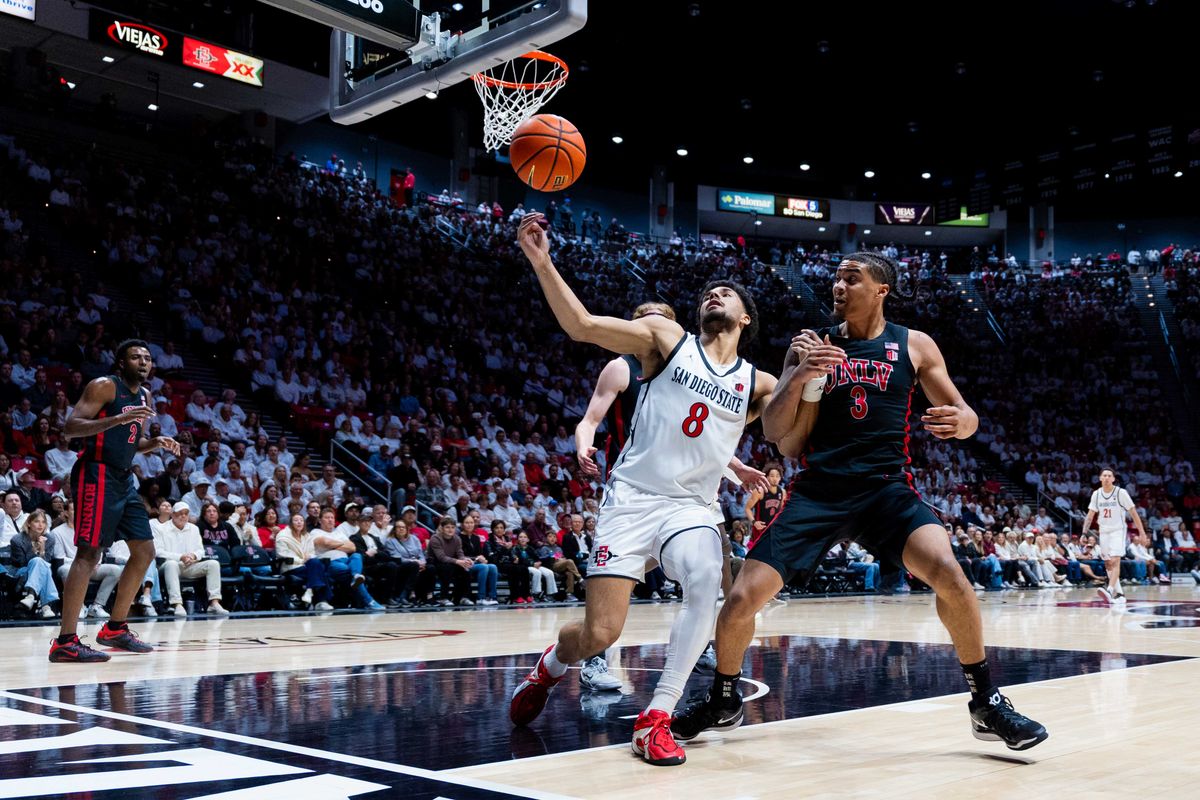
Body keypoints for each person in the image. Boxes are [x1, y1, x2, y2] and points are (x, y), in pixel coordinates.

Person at [673, 252, 1047, 752]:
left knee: (950, 574)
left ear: (881, 290)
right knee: (741, 598)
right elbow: (780, 439)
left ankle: (985, 702)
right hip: (819, 489)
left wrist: (963, 423)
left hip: (884, 490)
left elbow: (964, 412)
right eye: (836, 279)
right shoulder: (812, 345)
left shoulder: (914, 345)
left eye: (852, 279)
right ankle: (724, 698)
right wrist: (802, 373)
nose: (839, 287)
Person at [508, 212, 777, 767]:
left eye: (726, 292)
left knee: (707, 580)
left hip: (691, 506)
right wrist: (542, 262)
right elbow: (581, 325)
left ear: (745, 316)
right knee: (600, 633)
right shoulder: (665, 340)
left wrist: (810, 375)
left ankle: (657, 717)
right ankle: (552, 665)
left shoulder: (758, 383)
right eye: (709, 291)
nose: (714, 294)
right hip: (632, 500)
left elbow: (790, 429)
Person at [50, 340, 181, 662]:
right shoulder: (104, 386)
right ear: (121, 362)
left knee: (145, 550)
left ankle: (115, 628)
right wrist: (117, 420)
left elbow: (129, 443)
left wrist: (154, 443)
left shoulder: (145, 396)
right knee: (89, 552)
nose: (144, 362)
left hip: (123, 478)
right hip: (95, 473)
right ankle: (65, 641)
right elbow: (70, 428)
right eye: (136, 357)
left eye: (148, 358)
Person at [1082, 468, 1146, 604]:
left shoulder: (1120, 493)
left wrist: (1142, 532)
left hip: (1118, 530)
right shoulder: (1096, 494)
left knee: (1116, 560)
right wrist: (1084, 532)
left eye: (1109, 475)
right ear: (1100, 478)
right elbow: (1090, 516)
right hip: (1103, 531)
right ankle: (1120, 594)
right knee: (1108, 563)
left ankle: (1109, 589)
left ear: (1113, 479)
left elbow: (1134, 513)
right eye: (1104, 475)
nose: (1106, 477)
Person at [49, 502, 122, 619]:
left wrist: (94, 562)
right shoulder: (57, 532)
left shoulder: (91, 528)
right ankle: (78, 606)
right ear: (66, 513)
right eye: (74, 510)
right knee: (64, 570)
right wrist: (83, 563)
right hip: (71, 567)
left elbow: (99, 550)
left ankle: (97, 606)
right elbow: (60, 558)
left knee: (115, 570)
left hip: (91, 566)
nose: (79, 513)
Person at [156, 501, 229, 617]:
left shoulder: (194, 529)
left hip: (190, 565)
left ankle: (214, 603)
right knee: (171, 564)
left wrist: (193, 556)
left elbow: (200, 550)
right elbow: (158, 551)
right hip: (169, 566)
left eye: (186, 513)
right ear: (173, 515)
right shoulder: (161, 529)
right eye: (180, 513)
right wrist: (180, 557)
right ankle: (177, 604)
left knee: (213, 564)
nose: (183, 516)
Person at [276, 512, 333, 611]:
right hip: (291, 567)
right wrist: (302, 560)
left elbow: (311, 553)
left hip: (307, 566)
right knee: (320, 571)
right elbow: (282, 554)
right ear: (290, 523)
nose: (299, 522)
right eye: (296, 520)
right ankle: (321, 601)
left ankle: (310, 591)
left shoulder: (307, 536)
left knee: (315, 564)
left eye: (301, 520)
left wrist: (309, 557)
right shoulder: (282, 536)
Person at [9, 510, 60, 618]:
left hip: (41, 569)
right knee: (40, 564)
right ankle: (45, 606)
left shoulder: (49, 538)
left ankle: (31, 597)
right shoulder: (17, 540)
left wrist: (41, 551)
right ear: (29, 523)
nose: (40, 525)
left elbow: (47, 561)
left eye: (43, 522)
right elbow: (21, 562)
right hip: (21, 571)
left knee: (42, 564)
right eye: (36, 521)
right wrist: (33, 551)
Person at [427, 516, 475, 606]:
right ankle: (443, 598)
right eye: (447, 527)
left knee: (465, 569)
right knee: (447, 568)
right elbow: (441, 557)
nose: (450, 530)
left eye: (452, 527)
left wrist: (466, 560)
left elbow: (460, 554)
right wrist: (458, 561)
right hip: (435, 563)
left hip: (451, 563)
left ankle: (463, 597)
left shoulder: (457, 539)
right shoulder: (435, 538)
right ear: (442, 528)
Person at [745, 463, 787, 547]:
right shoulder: (759, 491)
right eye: (772, 476)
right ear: (766, 477)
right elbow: (747, 508)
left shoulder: (782, 492)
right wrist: (754, 522)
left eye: (777, 476)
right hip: (760, 529)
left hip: (775, 529)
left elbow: (782, 510)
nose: (775, 478)